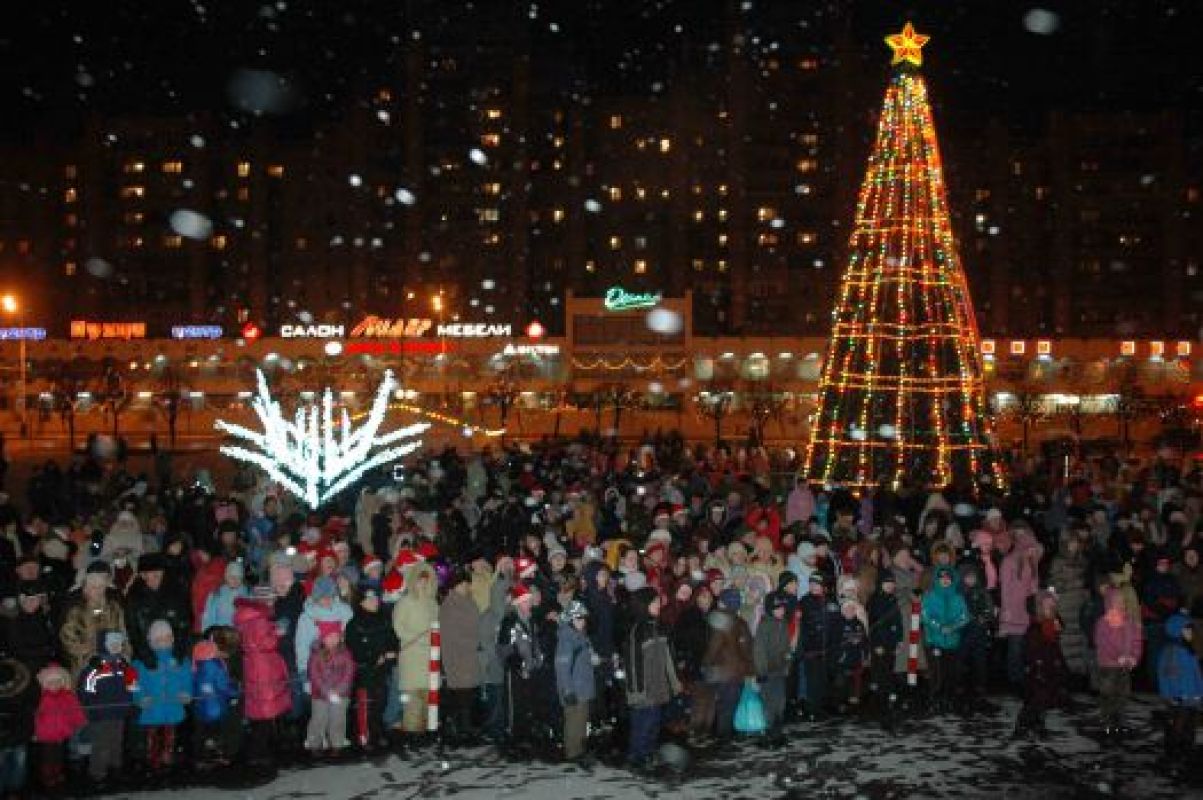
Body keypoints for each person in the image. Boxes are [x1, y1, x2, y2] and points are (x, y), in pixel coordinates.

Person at [623, 586, 680, 771]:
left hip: (658, 685)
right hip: (643, 688)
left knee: (654, 722)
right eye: (654, 602)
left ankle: (647, 752)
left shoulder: (659, 626)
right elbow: (632, 664)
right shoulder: (637, 630)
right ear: (643, 604)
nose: (658, 605)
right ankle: (636, 756)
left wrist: (674, 682)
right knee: (643, 723)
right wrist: (636, 691)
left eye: (658, 602)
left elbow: (668, 658)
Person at [233, 598, 291, 767]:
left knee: (258, 712)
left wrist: (272, 627)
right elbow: (266, 642)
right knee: (265, 711)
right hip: (264, 669)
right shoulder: (259, 620)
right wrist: (278, 632)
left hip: (253, 667)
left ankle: (258, 750)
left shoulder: (245, 620)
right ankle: (259, 752)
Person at [131, 620, 192, 776]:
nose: (163, 642)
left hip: (173, 706)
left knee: (170, 736)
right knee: (152, 736)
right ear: (151, 641)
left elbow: (187, 679)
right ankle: (152, 762)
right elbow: (132, 683)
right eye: (159, 639)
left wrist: (186, 693)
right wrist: (139, 697)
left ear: (172, 639)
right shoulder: (140, 662)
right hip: (152, 707)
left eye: (167, 638)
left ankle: (167, 759)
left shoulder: (180, 659)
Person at [77, 629, 138, 786]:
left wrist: (131, 704)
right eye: (112, 644)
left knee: (116, 742)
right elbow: (86, 691)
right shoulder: (96, 666)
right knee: (100, 743)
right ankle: (98, 773)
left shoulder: (124, 664)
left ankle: (115, 768)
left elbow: (132, 686)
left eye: (119, 644)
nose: (116, 647)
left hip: (119, 712)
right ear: (104, 646)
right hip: (101, 714)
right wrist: (90, 709)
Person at [344, 587, 397, 750]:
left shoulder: (384, 619)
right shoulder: (354, 624)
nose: (375, 601)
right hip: (365, 673)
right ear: (362, 602)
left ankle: (377, 733)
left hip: (382, 672)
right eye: (370, 599)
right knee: (365, 705)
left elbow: (393, 639)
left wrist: (392, 651)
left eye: (376, 598)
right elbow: (354, 649)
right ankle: (364, 737)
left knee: (380, 703)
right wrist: (374, 658)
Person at [497, 582, 546, 754]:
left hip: (530, 670)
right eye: (525, 601)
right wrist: (518, 665)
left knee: (527, 704)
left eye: (529, 601)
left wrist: (538, 660)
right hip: (515, 673)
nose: (529, 604)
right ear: (518, 603)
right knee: (515, 706)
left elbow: (535, 643)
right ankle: (513, 739)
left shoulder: (531, 621)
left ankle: (525, 736)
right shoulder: (509, 622)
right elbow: (503, 649)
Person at [392, 560, 439, 737]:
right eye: (420, 580)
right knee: (413, 701)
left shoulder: (433, 604)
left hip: (429, 658)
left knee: (428, 699)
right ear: (413, 580)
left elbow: (437, 627)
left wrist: (434, 641)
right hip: (412, 656)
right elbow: (399, 627)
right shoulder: (405, 602)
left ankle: (426, 735)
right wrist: (419, 639)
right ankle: (411, 736)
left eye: (426, 580)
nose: (423, 583)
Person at [1013, 591, 1069, 740]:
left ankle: (1038, 724)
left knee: (1046, 699)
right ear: (1039, 608)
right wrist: (1035, 664)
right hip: (1038, 670)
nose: (1051, 609)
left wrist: (1060, 664)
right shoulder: (1035, 627)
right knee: (1035, 699)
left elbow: (1056, 641)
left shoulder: (1052, 623)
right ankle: (1022, 725)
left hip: (1050, 667)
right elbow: (1030, 649)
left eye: (1053, 606)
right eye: (1047, 606)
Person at [702, 588, 754, 742]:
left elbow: (714, 647)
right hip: (738, 672)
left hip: (723, 671)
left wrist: (705, 663)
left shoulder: (721, 621)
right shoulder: (742, 622)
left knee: (724, 705)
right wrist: (750, 667)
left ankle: (723, 736)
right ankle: (728, 732)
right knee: (731, 704)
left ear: (722, 603)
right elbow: (748, 648)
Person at [438, 568, 481, 744]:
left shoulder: (468, 601)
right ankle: (458, 731)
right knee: (460, 695)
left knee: (467, 695)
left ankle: (465, 730)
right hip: (458, 656)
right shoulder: (450, 605)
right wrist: (475, 642)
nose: (468, 587)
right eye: (465, 584)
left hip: (469, 655)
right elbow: (452, 635)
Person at [1094, 585, 1142, 739]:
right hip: (1108, 665)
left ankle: (1120, 720)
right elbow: (1103, 643)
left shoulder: (1129, 621)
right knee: (1108, 694)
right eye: (1116, 601)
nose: (1120, 604)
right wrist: (1117, 656)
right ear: (1109, 602)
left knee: (1123, 693)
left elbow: (1136, 640)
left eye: (1122, 601)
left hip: (1125, 665)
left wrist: (1134, 656)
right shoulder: (1103, 623)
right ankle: (1107, 721)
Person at [1157, 611, 1203, 768]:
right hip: (1179, 698)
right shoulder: (1170, 652)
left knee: (1190, 725)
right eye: (1186, 630)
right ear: (1176, 631)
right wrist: (1169, 695)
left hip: (1192, 698)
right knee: (1177, 725)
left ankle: (1187, 750)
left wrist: (1200, 693)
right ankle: (1173, 752)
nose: (1190, 633)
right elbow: (1165, 676)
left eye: (1191, 630)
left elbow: (1196, 674)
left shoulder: (1189, 651)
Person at [921, 565, 968, 715]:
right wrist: (939, 627)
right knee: (937, 673)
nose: (945, 580)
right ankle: (935, 700)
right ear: (937, 579)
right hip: (934, 641)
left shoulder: (958, 597)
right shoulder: (929, 596)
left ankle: (948, 700)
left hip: (952, 642)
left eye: (948, 578)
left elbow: (965, 617)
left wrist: (953, 627)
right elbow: (925, 616)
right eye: (942, 578)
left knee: (951, 673)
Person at [32, 662, 85, 792]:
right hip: (46, 734)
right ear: (45, 684)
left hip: (62, 732)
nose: (54, 685)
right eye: (51, 682)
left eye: (57, 682)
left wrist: (79, 721)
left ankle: (57, 773)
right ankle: (47, 776)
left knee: (59, 755)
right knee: (47, 756)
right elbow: (35, 716)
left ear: (62, 682)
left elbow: (75, 710)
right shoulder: (42, 698)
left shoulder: (67, 696)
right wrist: (34, 731)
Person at [555, 600, 597, 764]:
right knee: (574, 721)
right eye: (578, 619)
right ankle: (573, 752)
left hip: (583, 687)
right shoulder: (567, 639)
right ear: (570, 620)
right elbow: (562, 668)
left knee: (580, 721)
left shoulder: (581, 637)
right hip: (574, 689)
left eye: (583, 618)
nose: (582, 622)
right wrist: (568, 690)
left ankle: (578, 749)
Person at [306, 620, 355, 755]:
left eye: (336, 636)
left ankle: (337, 743)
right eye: (330, 636)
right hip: (320, 695)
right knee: (318, 719)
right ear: (323, 638)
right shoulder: (316, 654)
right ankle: (314, 743)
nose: (333, 639)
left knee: (338, 719)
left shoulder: (345, 653)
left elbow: (349, 672)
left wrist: (339, 690)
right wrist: (326, 691)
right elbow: (314, 674)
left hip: (341, 694)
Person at [191, 638, 239, 768]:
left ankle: (202, 758)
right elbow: (223, 687)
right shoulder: (216, 666)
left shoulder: (196, 667)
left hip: (201, 709)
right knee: (218, 733)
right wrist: (235, 692)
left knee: (203, 733)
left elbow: (193, 688)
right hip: (217, 708)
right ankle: (218, 755)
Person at [754, 590, 793, 746]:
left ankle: (777, 730)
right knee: (769, 702)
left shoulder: (783, 624)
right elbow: (759, 649)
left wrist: (787, 663)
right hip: (768, 672)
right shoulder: (765, 625)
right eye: (777, 608)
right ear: (770, 609)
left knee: (780, 701)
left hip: (779, 671)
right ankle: (768, 731)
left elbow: (786, 647)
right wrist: (761, 671)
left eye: (782, 608)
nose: (781, 611)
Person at [867, 569, 903, 727]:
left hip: (891, 643)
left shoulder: (893, 599)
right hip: (879, 644)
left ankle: (887, 703)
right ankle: (878, 705)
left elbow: (898, 622)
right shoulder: (874, 601)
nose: (889, 585)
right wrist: (876, 645)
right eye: (886, 582)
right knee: (879, 674)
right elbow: (872, 625)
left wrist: (899, 641)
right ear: (880, 584)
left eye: (891, 582)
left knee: (888, 672)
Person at [0, 650, 35, 797]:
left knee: (17, 767)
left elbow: (28, 713)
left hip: (18, 735)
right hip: (11, 737)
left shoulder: (23, 683)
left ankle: (15, 791)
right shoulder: (23, 679)